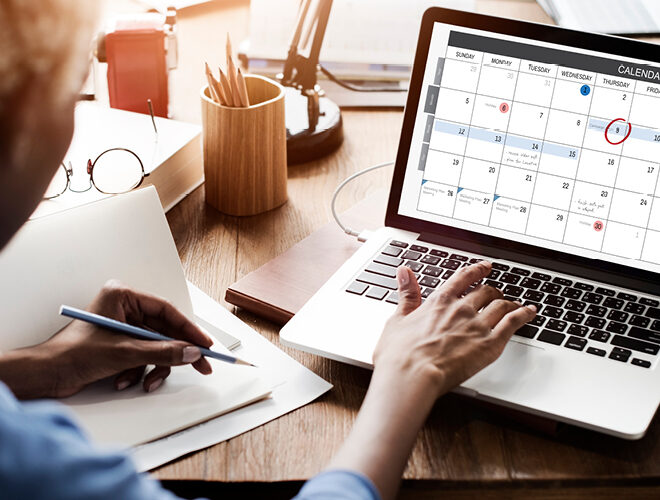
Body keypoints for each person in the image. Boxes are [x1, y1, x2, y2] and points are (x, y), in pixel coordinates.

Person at [0, 2, 537, 499]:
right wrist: (408, 374)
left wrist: (40, 366)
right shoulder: (29, 460)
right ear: (22, 123)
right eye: (74, 93)